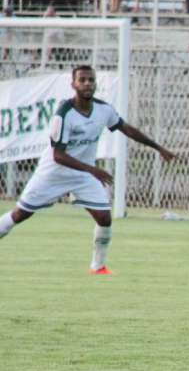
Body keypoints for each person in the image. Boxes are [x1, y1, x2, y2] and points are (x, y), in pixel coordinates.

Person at [0, 66, 175, 273]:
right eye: (82, 80)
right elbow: (59, 155)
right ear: (73, 84)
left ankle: (98, 266)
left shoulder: (103, 109)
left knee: (104, 217)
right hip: (53, 172)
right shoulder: (64, 114)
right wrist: (93, 170)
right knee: (21, 214)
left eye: (90, 80)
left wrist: (158, 147)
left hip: (83, 174)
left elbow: (126, 128)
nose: (87, 84)